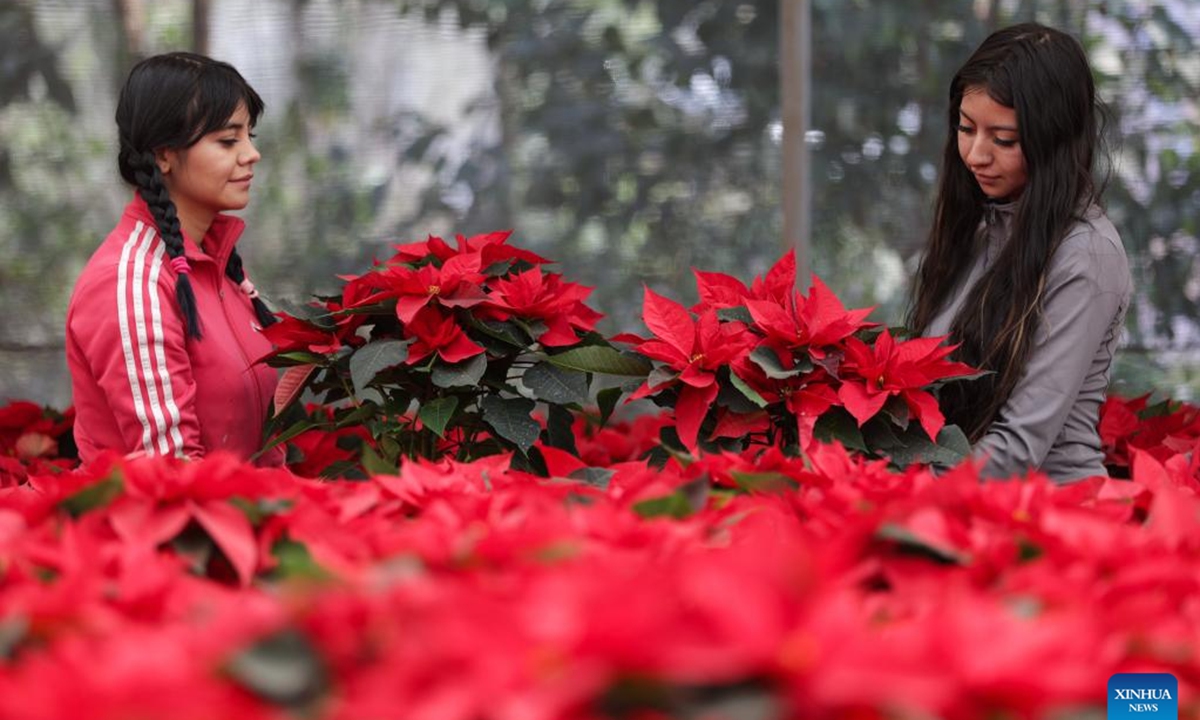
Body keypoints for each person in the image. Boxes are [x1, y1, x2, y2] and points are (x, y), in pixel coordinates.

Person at [907, 23, 1132, 482]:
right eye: (965, 129)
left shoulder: (1087, 254)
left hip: (1050, 515)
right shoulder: (979, 226)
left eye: (1003, 139)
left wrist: (897, 492)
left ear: (1053, 138)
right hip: (962, 498)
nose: (974, 155)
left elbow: (1020, 442)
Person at [66, 52, 280, 464]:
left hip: (247, 514)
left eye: (251, 136)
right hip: (169, 525)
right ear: (163, 154)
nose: (251, 154)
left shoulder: (217, 264)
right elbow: (172, 470)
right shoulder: (131, 282)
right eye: (228, 140)